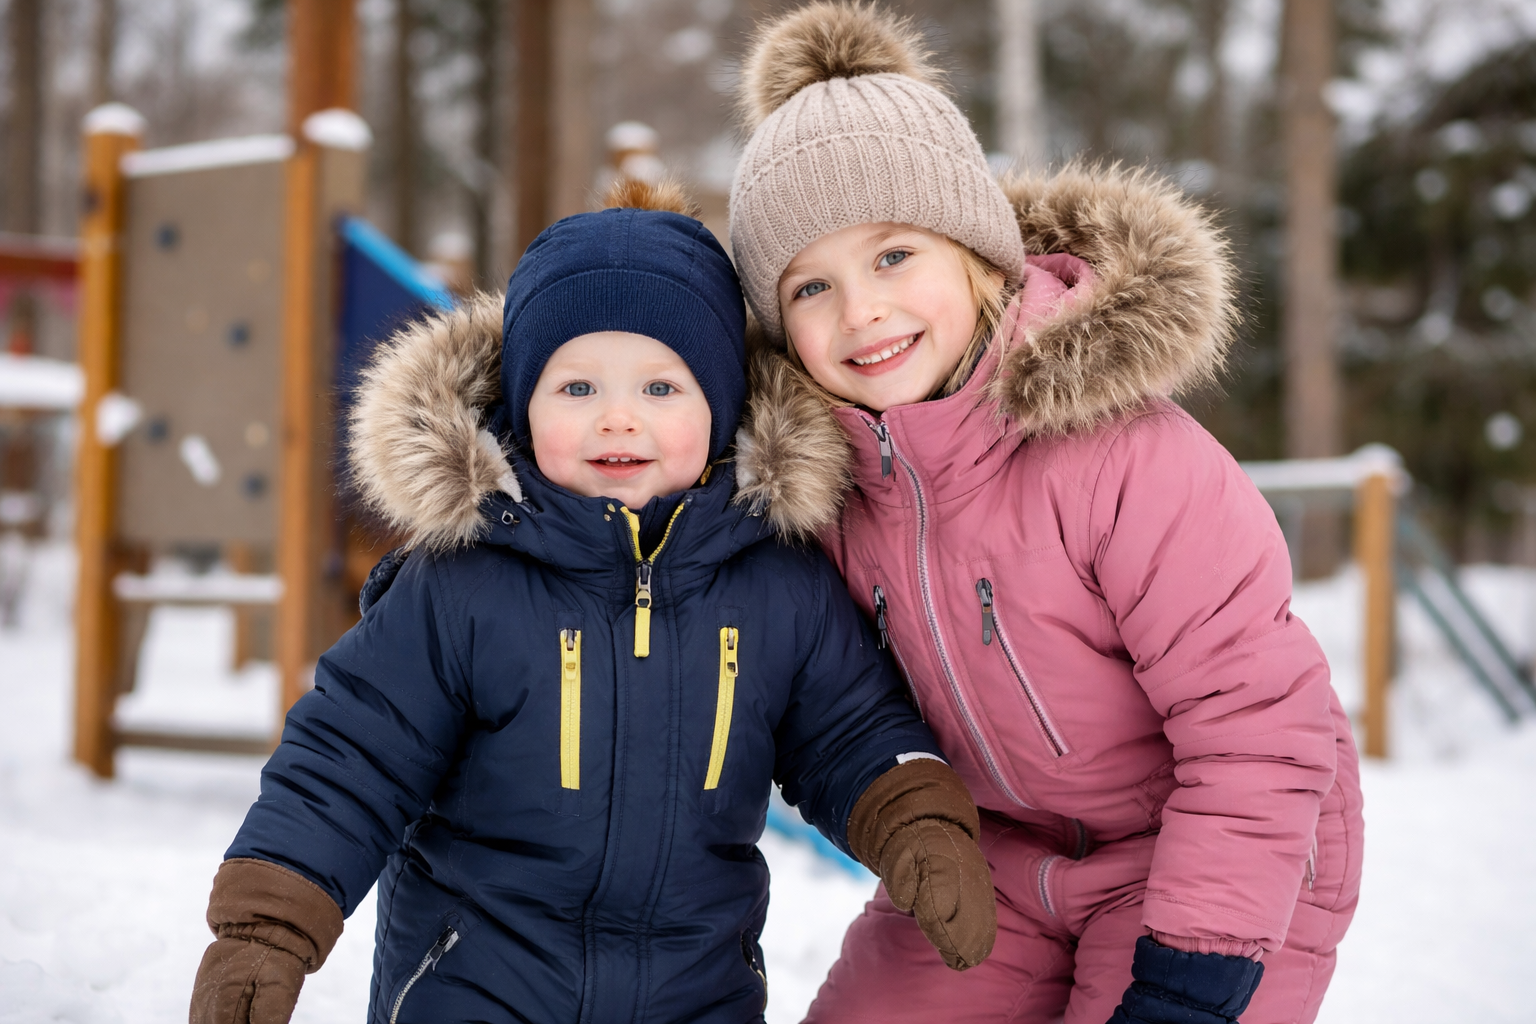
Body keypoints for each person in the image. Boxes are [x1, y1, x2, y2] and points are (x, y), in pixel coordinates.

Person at [187, 183, 999, 1024]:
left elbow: (850, 728)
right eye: (576, 389)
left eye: (661, 389)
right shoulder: (460, 583)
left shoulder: (779, 584)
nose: (617, 419)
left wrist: (918, 826)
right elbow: (353, 757)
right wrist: (267, 928)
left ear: (721, 409)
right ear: (522, 404)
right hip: (477, 993)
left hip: (696, 997)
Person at [724, 5, 1364, 1023]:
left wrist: (1192, 974)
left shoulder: (1124, 458)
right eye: (810, 287)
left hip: (1221, 851)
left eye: (893, 256)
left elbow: (1255, 725)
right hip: (1007, 860)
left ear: (979, 253)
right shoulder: (829, 495)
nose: (861, 311)